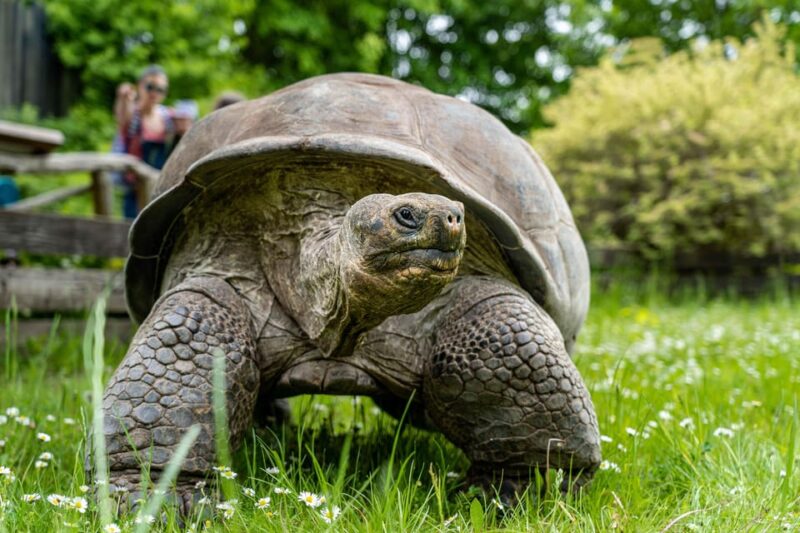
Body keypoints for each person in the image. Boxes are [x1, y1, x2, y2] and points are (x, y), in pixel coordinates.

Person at [114, 65, 174, 219]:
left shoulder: (167, 117)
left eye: (161, 89)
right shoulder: (133, 114)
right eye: (150, 87)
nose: (155, 93)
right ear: (139, 86)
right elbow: (122, 119)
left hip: (160, 187)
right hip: (135, 188)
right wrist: (123, 98)